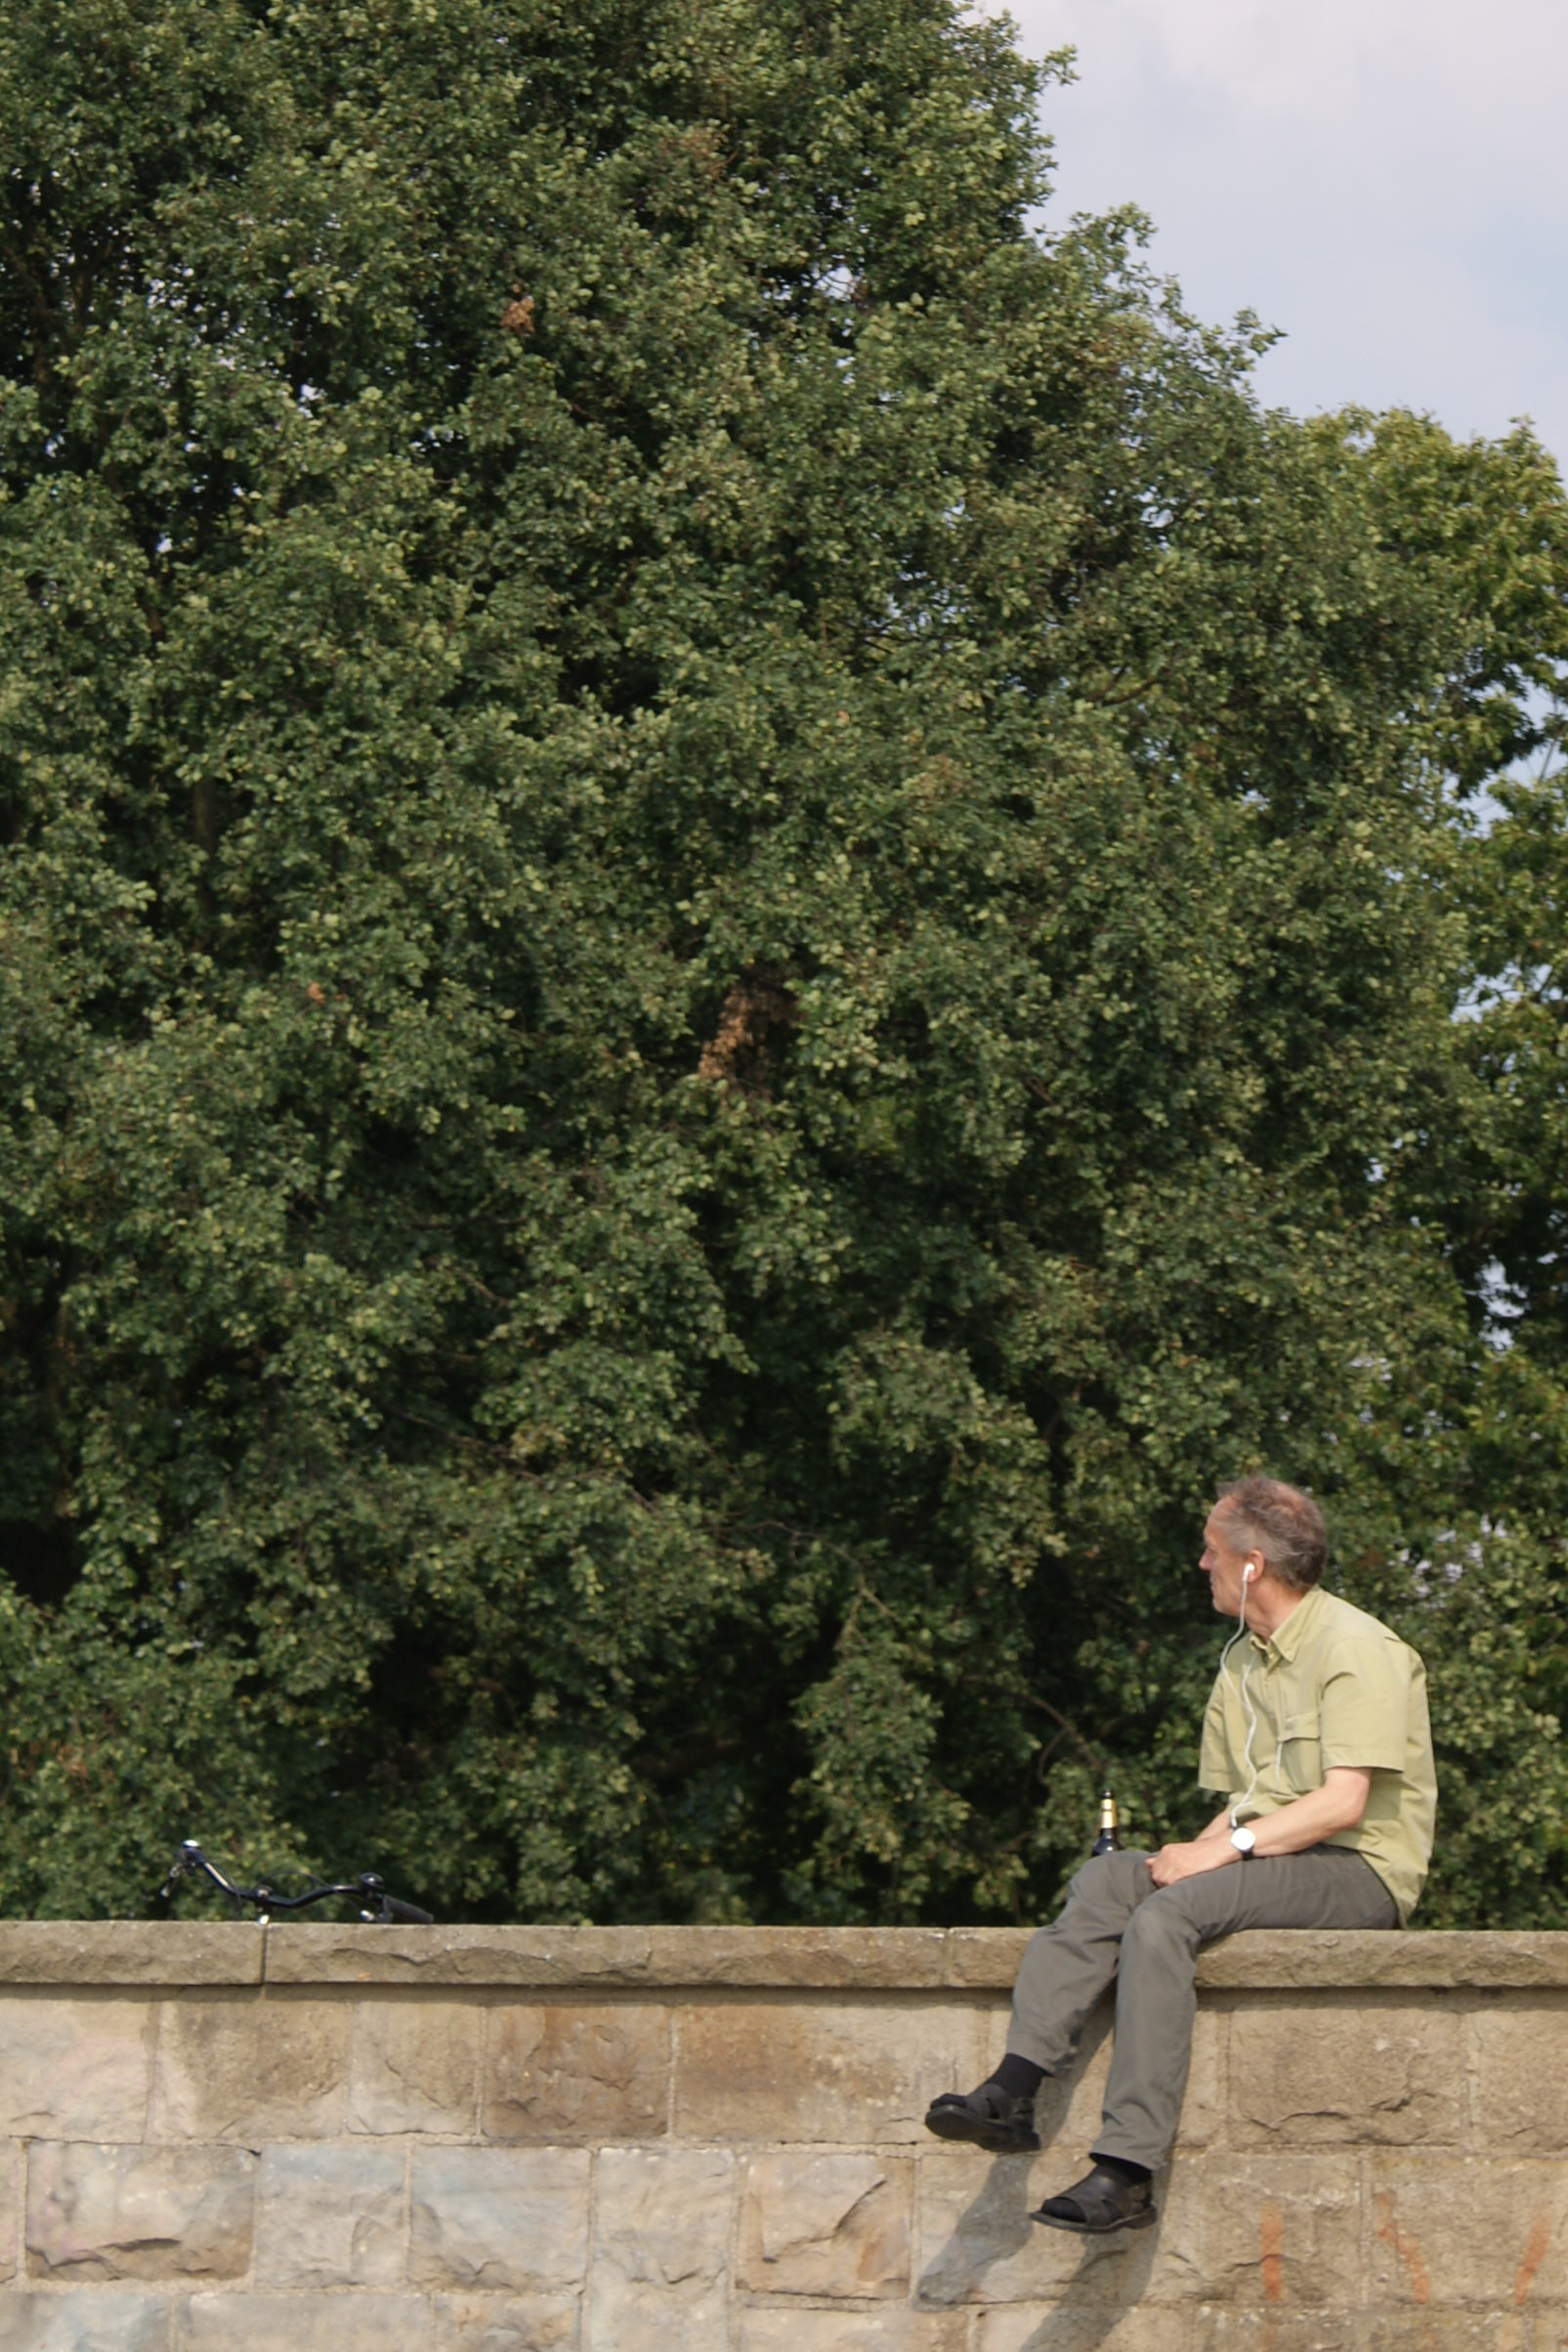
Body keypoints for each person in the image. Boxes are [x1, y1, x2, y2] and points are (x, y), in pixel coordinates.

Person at [925, 1475, 1436, 2236]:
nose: (1201, 1564)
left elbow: (1342, 1803)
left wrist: (1217, 1854)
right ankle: (1011, 2091)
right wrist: (1188, 1853)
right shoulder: (1241, 1661)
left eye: (1210, 1549)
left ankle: (1126, 2171)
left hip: (1358, 1869)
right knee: (1109, 1877)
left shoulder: (1357, 1648)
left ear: (1252, 1564)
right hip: (1273, 1856)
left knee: (1168, 1915)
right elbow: (1245, 1802)